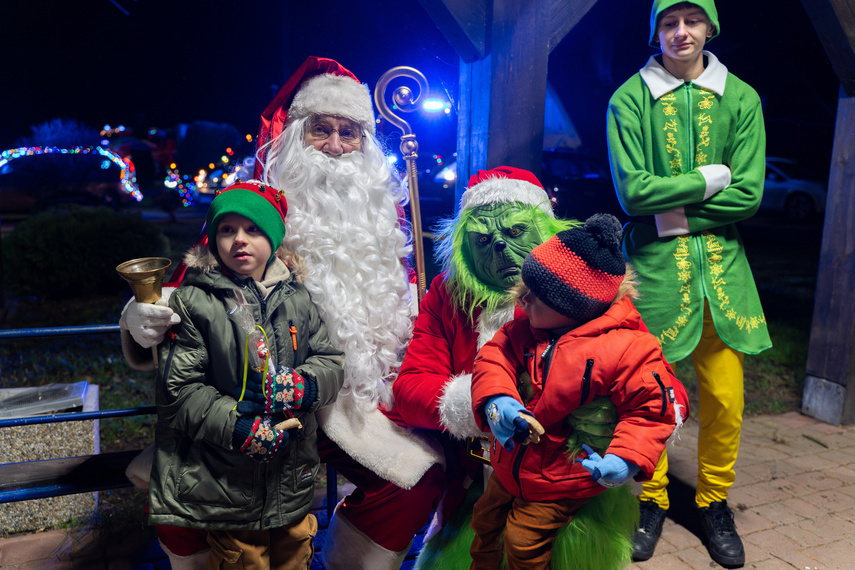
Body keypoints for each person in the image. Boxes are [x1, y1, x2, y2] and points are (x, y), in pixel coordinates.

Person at [122, 56, 445, 569]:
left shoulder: (383, 224)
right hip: (246, 402)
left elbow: (412, 308)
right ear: (296, 136)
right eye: (322, 130)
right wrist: (141, 319)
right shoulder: (254, 216)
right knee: (183, 499)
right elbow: (188, 286)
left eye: (350, 133)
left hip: (348, 404)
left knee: (416, 479)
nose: (337, 147)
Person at [606, 1, 772, 566]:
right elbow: (633, 195)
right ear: (655, 31)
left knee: (726, 399)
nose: (680, 33)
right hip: (653, 277)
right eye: (668, 23)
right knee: (648, 398)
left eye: (691, 21)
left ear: (710, 27)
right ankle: (649, 498)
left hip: (723, 277)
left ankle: (713, 501)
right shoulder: (628, 100)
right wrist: (709, 179)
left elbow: (748, 194)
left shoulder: (742, 99)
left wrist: (670, 212)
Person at [146, 180, 345, 569]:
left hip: (290, 480)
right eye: (227, 229)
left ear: (273, 238)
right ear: (213, 238)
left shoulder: (298, 298)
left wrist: (302, 385)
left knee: (296, 555)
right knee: (244, 561)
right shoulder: (195, 301)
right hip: (226, 484)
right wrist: (238, 427)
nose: (240, 240)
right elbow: (179, 391)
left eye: (253, 229)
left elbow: (329, 360)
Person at [468, 214, 681, 569]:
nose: (524, 300)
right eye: (526, 288)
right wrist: (498, 399)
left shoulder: (629, 349)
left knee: (523, 542)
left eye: (537, 295)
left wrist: (623, 459)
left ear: (574, 307)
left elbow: (649, 410)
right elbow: (494, 358)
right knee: (484, 522)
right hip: (510, 468)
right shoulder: (525, 330)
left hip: (561, 478)